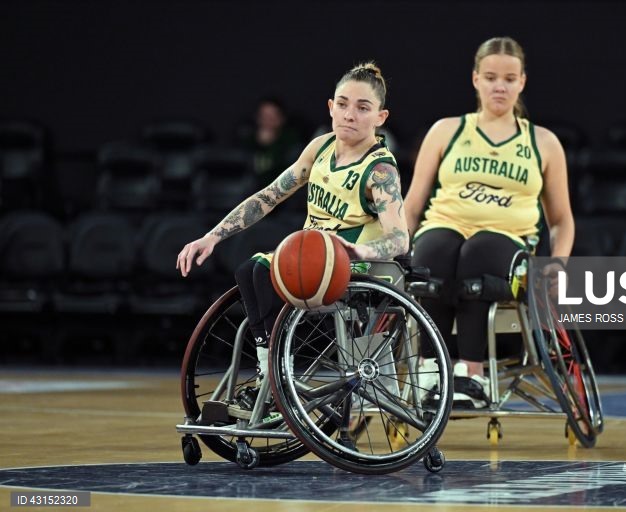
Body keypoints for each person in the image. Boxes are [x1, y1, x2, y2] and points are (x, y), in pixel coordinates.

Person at [177, 62, 409, 391]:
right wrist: (213, 236)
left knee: (263, 275)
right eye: (342, 104)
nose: (350, 115)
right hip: (315, 256)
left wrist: (361, 249)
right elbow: (269, 196)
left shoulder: (380, 169)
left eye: (362, 107)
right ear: (331, 107)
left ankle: (275, 379)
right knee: (249, 270)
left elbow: (401, 238)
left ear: (380, 117)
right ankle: (269, 370)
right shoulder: (320, 148)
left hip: (356, 265)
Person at [404, 37, 575, 409]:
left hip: (508, 245)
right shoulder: (447, 131)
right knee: (434, 250)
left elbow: (561, 220)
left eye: (509, 78)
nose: (500, 85)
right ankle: (429, 369)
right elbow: (413, 204)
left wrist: (557, 265)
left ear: (522, 82)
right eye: (492, 77)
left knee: (478, 251)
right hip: (444, 226)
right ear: (476, 79)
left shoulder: (542, 143)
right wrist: (397, 245)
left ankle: (472, 374)